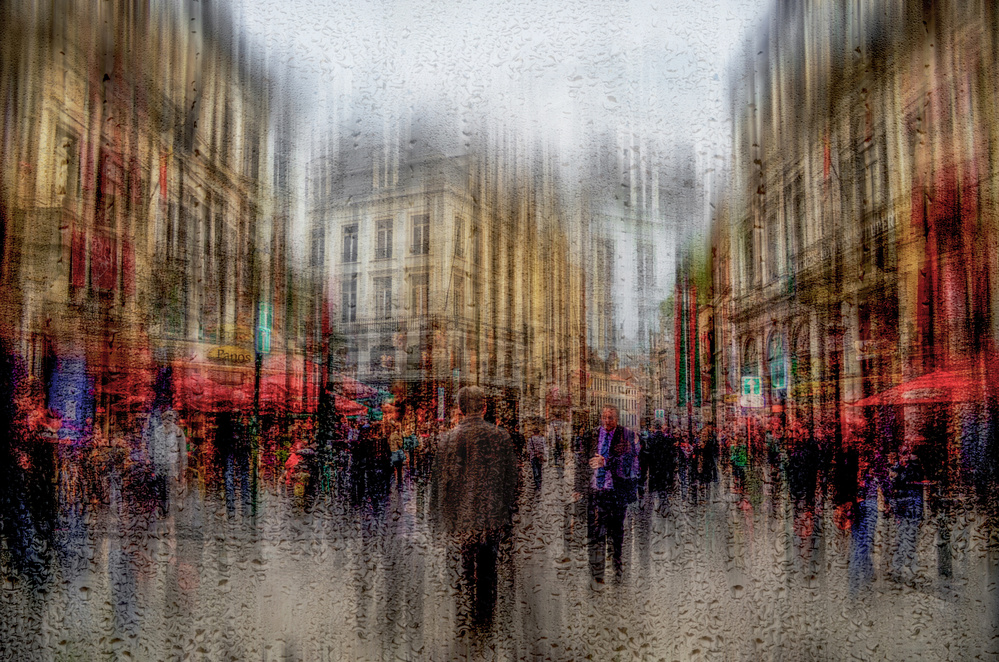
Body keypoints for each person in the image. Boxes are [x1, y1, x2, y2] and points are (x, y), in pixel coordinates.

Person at [433, 386, 519, 633]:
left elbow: (440, 483)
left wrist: (439, 518)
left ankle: (466, 612)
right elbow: (512, 480)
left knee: (465, 564)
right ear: (484, 407)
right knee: (488, 567)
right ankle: (485, 620)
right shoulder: (500, 436)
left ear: (460, 409)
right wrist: (508, 512)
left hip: (461, 517)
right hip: (492, 515)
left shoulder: (447, 439)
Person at [574, 404, 640, 585]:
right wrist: (578, 487)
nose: (607, 421)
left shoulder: (626, 435)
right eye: (604, 417)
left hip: (616, 491)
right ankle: (596, 572)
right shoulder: (592, 435)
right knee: (595, 531)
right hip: (596, 490)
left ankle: (617, 569)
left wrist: (607, 462)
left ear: (617, 418)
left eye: (610, 417)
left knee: (616, 531)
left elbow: (630, 462)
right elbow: (582, 461)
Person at [526, 419, 547, 491]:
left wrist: (530, 453)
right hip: (540, 456)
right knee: (540, 469)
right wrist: (544, 455)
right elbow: (545, 448)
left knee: (535, 470)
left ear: (533, 432)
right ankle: (540, 483)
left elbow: (528, 449)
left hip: (533, 456)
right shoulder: (542, 439)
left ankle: (537, 484)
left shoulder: (530, 439)